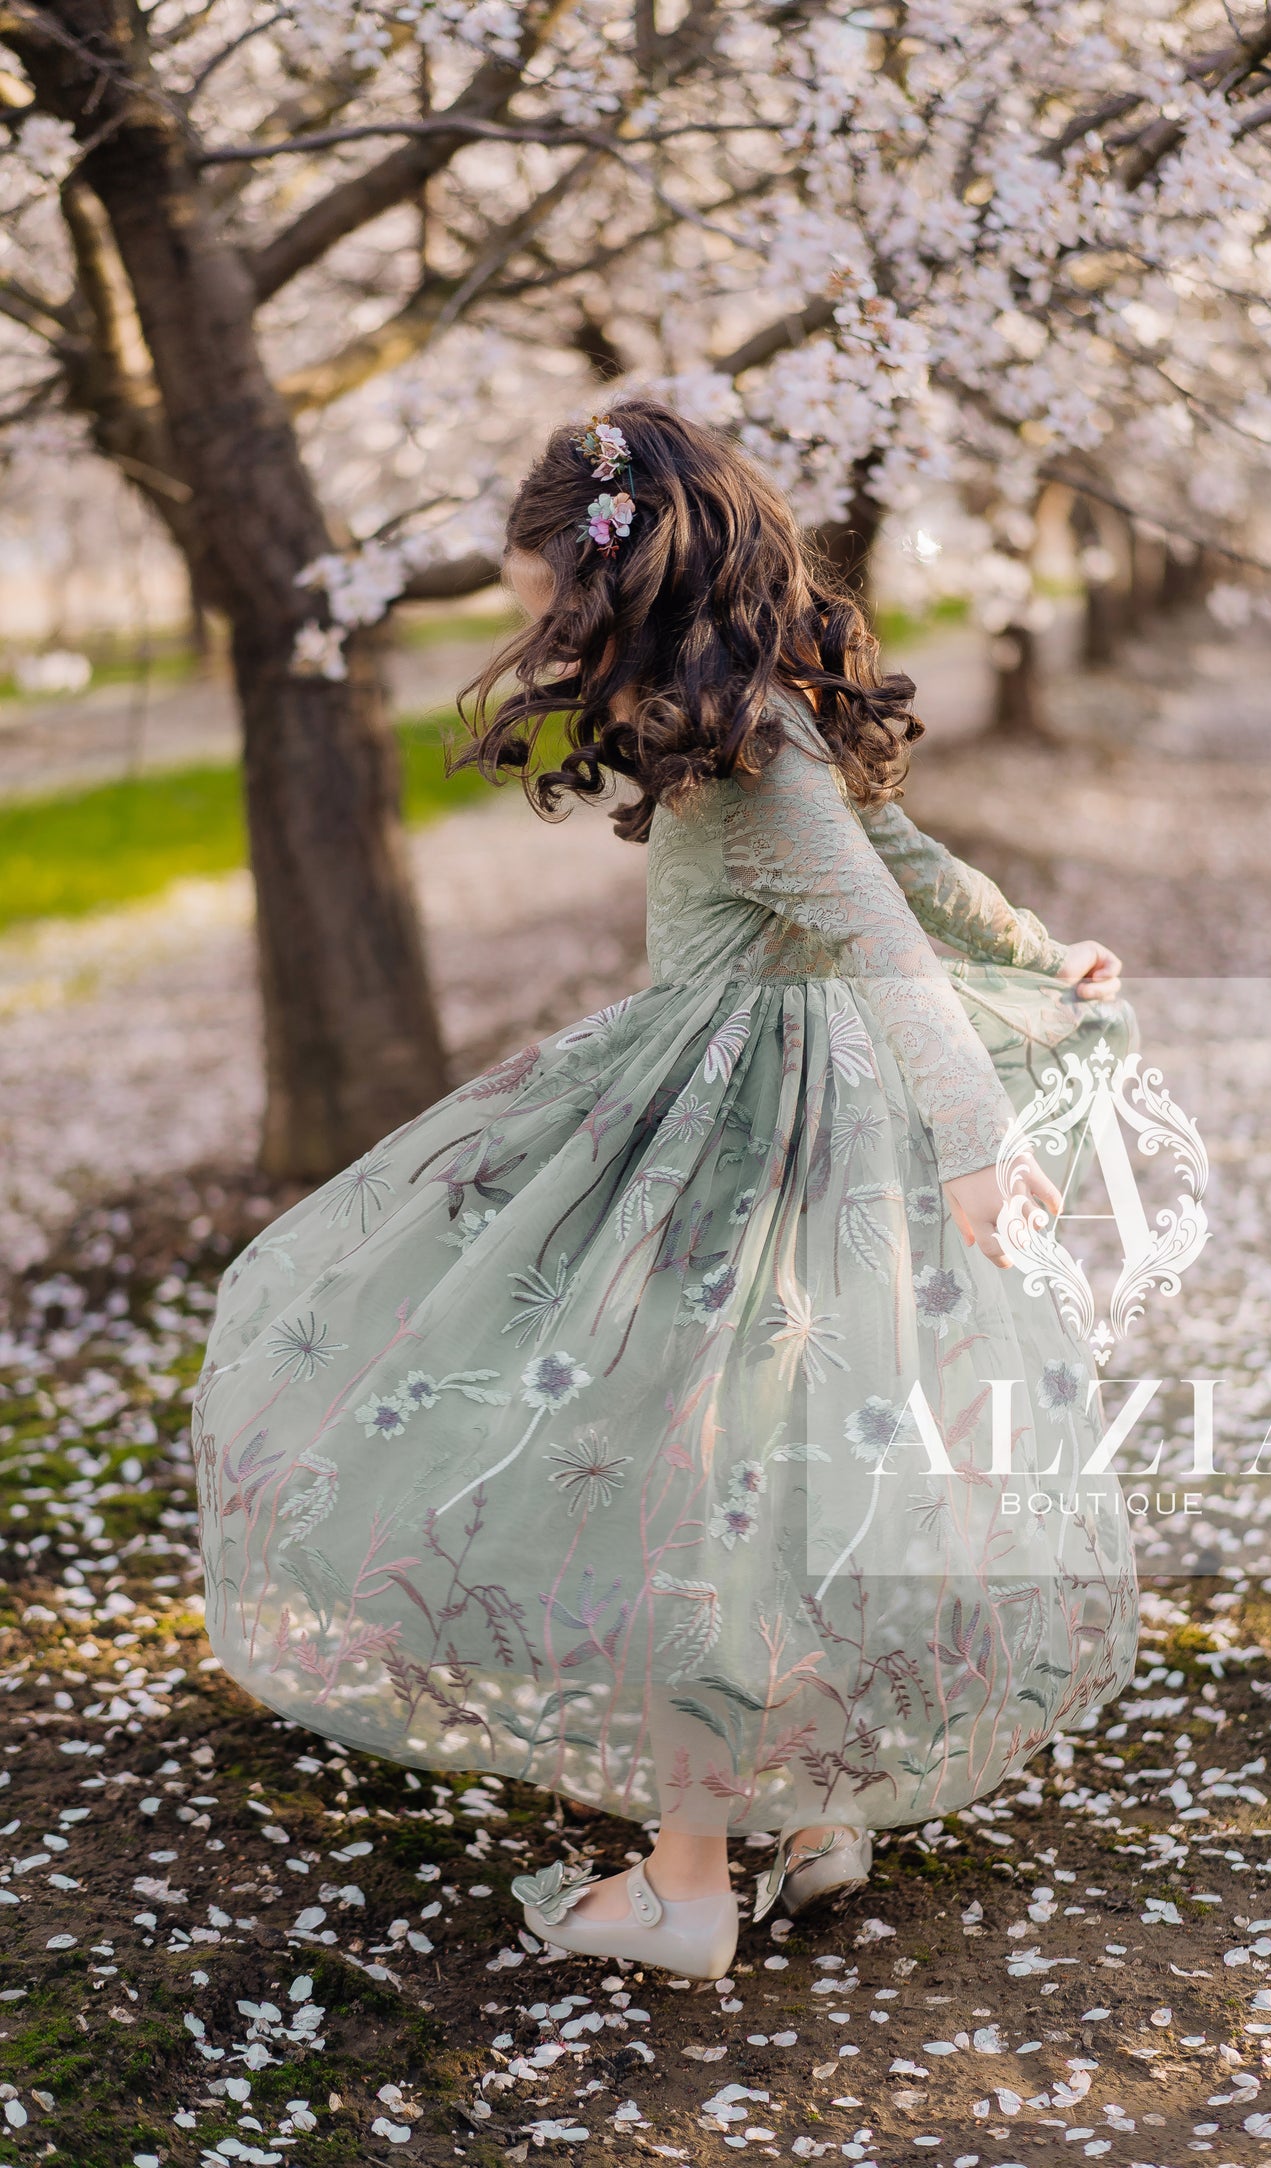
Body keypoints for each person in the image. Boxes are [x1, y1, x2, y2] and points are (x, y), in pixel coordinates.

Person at [194, 400, 1139, 1981]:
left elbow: (885, 931)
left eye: (549, 611)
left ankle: (689, 1880)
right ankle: (814, 1799)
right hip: (819, 1136)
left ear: (621, 582)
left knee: (690, 1480)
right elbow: (911, 872)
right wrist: (1037, 953)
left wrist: (977, 1133)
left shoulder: (748, 750)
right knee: (801, 1460)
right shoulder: (762, 713)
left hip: (727, 1142)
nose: (545, 646)